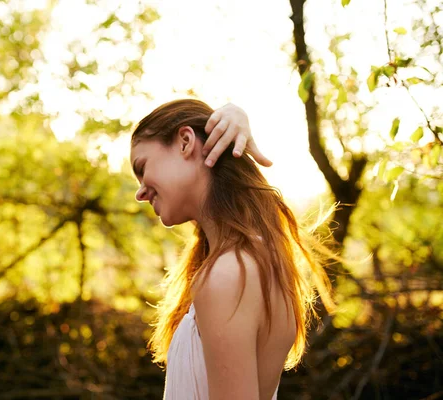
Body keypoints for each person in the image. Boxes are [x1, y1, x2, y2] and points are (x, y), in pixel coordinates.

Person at [130, 99, 336, 400]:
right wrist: (234, 112)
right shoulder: (257, 260)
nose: (139, 192)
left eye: (141, 167)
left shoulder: (228, 274)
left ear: (185, 141)